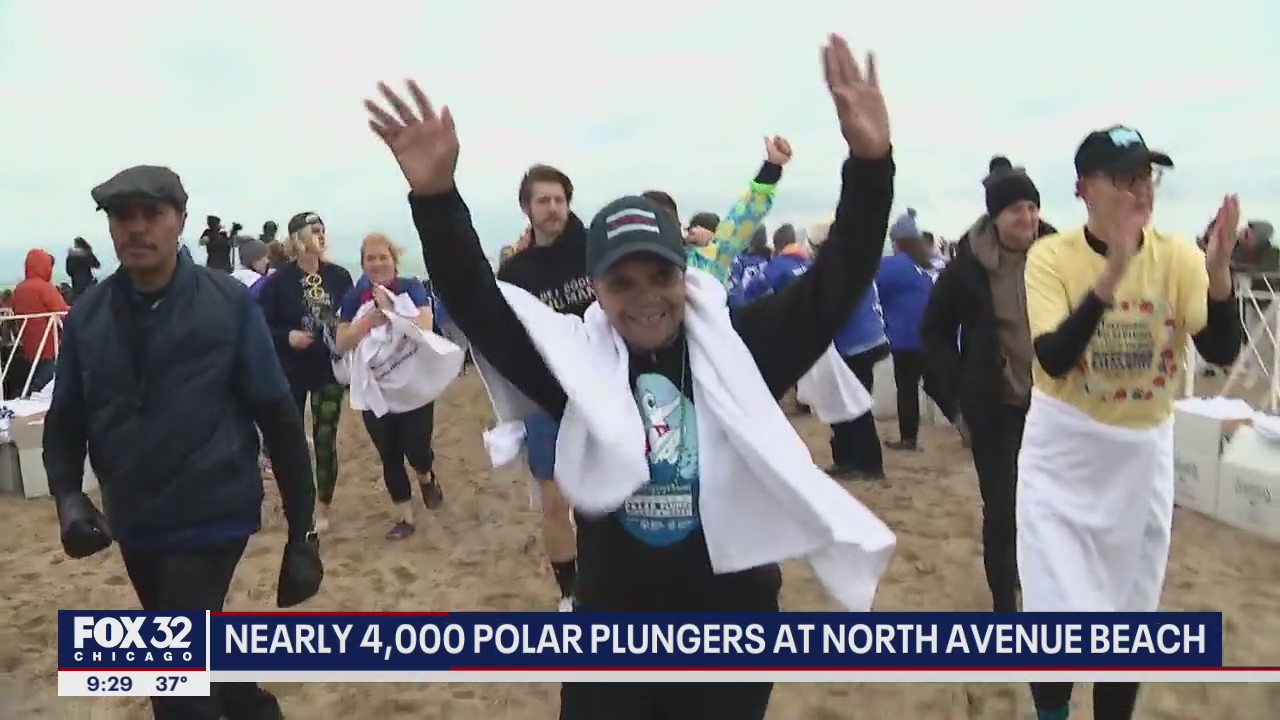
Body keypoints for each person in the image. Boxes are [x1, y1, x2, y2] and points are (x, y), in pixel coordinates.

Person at [363, 32, 895, 719]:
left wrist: (871, 163)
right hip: (613, 627)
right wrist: (436, 198)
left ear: (684, 275)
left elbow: (840, 277)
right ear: (597, 288)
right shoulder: (576, 367)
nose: (646, 297)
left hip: (732, 620)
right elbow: (481, 306)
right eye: (623, 281)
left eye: (661, 276)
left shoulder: (742, 350)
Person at [44, 164, 321, 720]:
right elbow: (66, 417)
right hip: (136, 517)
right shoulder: (87, 316)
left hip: (214, 511)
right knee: (196, 653)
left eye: (153, 214)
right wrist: (68, 496)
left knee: (173, 681)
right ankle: (254, 709)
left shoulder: (227, 303)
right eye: (124, 216)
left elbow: (279, 414)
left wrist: (302, 529)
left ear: (181, 222)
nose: (137, 228)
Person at [1018, 126, 1242, 720]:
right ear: (1083, 189)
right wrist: (1113, 272)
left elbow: (1220, 349)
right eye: (1124, 178)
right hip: (1065, 446)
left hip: (1141, 449)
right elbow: (1054, 357)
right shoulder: (1050, 256)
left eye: (1148, 176)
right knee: (1052, 610)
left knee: (1130, 612)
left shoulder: (1176, 256)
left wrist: (1219, 273)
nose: (1141, 189)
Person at [920, 156, 1057, 614]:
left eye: (1033, 208)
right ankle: (1005, 603)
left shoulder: (1060, 255)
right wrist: (955, 394)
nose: (1028, 218)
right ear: (997, 217)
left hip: (1058, 407)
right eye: (1017, 209)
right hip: (997, 406)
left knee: (1051, 509)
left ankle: (1042, 585)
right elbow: (934, 332)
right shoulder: (967, 267)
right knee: (1003, 509)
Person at [490, 164, 591, 612]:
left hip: (607, 390)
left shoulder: (595, 252)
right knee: (554, 501)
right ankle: (569, 592)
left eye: (559, 199)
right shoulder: (516, 273)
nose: (553, 209)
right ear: (527, 209)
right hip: (547, 398)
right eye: (543, 201)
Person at [335, 233, 446, 539]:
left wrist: (392, 310)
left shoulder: (410, 287)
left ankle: (425, 476)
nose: (377, 263)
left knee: (417, 448)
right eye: (370, 258)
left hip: (412, 385)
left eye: (382, 257)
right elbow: (342, 341)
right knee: (389, 452)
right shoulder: (354, 298)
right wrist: (367, 322)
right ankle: (405, 517)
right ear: (362, 264)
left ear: (394, 260)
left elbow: (424, 326)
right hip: (375, 390)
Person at [258, 212, 354, 532]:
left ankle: (323, 507)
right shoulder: (277, 283)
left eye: (324, 230)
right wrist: (287, 336)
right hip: (290, 372)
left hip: (329, 369)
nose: (322, 236)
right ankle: (299, 503)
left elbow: (352, 317)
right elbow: (260, 326)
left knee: (325, 439)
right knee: (291, 443)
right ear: (298, 238)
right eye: (315, 231)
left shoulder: (340, 277)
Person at [876, 208, 949, 450]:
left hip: (904, 337)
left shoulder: (891, 266)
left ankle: (908, 439)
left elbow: (875, 294)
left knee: (906, 388)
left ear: (897, 242)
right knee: (934, 384)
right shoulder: (923, 266)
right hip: (928, 334)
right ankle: (962, 419)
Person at [11, 248, 68, 395]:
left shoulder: (19, 289)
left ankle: (28, 394)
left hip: (28, 345)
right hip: (48, 344)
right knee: (47, 380)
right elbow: (62, 312)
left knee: (35, 375)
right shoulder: (44, 288)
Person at [727, 226, 772, 306]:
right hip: (763, 308)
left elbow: (734, 288)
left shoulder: (738, 260)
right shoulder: (771, 260)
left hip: (742, 309)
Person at [65, 237, 102, 301]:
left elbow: (69, 271)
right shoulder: (87, 254)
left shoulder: (71, 256)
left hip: (76, 285)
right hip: (88, 284)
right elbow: (97, 265)